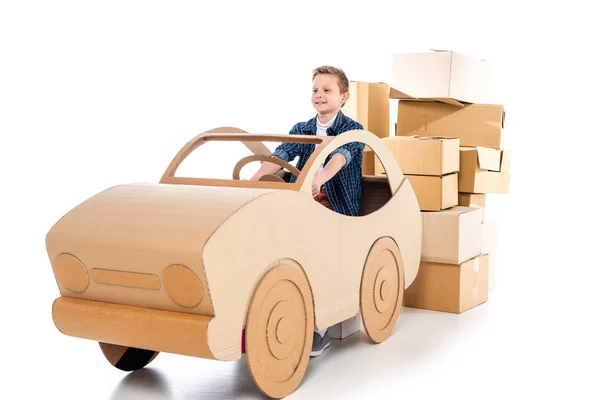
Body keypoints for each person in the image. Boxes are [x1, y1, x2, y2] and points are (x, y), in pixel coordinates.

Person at [250, 65, 365, 356]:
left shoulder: (353, 129)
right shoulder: (301, 128)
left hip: (335, 206)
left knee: (317, 252)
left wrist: (318, 178)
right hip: (301, 202)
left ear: (344, 97)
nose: (319, 95)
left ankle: (318, 328)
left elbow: (342, 155)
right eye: (315, 90)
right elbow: (281, 155)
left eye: (327, 90)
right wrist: (251, 184)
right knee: (265, 241)